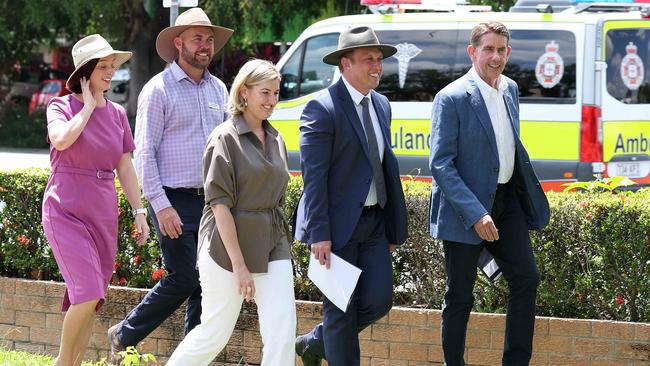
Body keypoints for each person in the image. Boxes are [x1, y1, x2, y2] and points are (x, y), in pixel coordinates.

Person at [107, 7, 233, 362]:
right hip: (173, 201)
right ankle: (124, 333)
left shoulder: (219, 89)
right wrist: (160, 206)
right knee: (184, 278)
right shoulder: (157, 90)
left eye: (209, 39)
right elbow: (144, 154)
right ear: (179, 43)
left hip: (211, 203)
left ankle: (192, 357)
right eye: (197, 38)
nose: (205, 46)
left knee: (205, 285)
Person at [428, 21, 550, 366]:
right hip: (466, 209)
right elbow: (441, 164)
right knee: (461, 296)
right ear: (473, 52)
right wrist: (476, 213)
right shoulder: (451, 97)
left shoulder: (510, 88)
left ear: (508, 53)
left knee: (526, 278)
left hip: (507, 203)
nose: (496, 57)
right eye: (488, 49)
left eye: (501, 50)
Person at [167, 58, 296, 366]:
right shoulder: (224, 137)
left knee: (282, 329)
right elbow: (219, 204)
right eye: (265, 93)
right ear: (244, 93)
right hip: (226, 247)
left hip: (272, 239)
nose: (272, 101)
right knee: (215, 332)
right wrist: (240, 266)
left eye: (276, 93)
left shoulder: (276, 137)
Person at [292, 26, 408, 366]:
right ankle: (325, 340)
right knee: (340, 313)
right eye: (368, 59)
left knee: (380, 300)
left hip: (373, 224)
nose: (377, 66)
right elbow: (314, 178)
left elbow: (384, 167)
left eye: (379, 59)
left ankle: (315, 341)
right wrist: (320, 234)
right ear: (346, 64)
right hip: (336, 230)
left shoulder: (382, 105)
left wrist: (391, 225)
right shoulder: (321, 107)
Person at [42, 34, 150, 366]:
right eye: (103, 66)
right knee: (87, 291)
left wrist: (139, 210)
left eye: (112, 66)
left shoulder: (118, 114)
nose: (111, 72)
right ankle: (63, 362)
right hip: (65, 209)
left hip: (102, 212)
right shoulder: (60, 106)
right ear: (85, 72)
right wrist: (88, 107)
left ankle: (74, 362)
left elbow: (125, 167)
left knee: (92, 298)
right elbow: (61, 140)